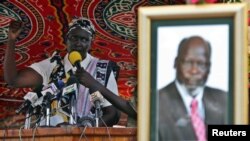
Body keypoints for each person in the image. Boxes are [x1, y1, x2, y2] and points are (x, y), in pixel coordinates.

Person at [4, 17, 121, 127]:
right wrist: (11, 39)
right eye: (74, 38)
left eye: (84, 39)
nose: (78, 43)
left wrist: (83, 129)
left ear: (91, 43)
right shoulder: (52, 65)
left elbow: (113, 113)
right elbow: (13, 80)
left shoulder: (101, 69)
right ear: (66, 39)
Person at [158, 36, 227, 141]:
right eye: (188, 62)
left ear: (209, 67)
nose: (194, 70)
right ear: (176, 63)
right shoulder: (157, 103)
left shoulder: (225, 100)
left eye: (201, 64)